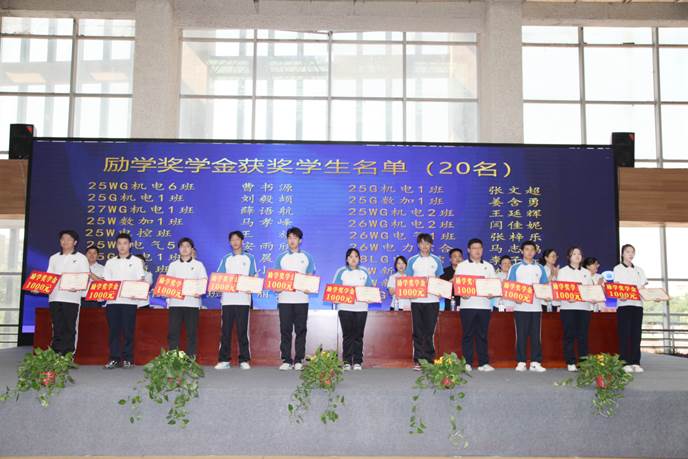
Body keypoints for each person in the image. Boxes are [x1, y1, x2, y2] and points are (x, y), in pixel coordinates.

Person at [215, 230, 257, 370]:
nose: (235, 242)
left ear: (242, 241)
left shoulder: (249, 258)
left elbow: (254, 277)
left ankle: (244, 359)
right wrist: (218, 286)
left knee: (242, 331)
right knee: (225, 331)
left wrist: (252, 286)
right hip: (227, 300)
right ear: (230, 242)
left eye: (237, 239)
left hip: (243, 300)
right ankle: (224, 360)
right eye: (232, 239)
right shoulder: (226, 258)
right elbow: (219, 277)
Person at [103, 233, 146, 369]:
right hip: (113, 302)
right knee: (114, 332)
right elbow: (107, 282)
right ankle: (114, 358)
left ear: (130, 245)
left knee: (128, 331)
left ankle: (128, 359)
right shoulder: (110, 262)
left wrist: (136, 292)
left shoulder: (136, 261)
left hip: (129, 302)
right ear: (116, 245)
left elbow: (140, 280)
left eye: (125, 243)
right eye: (119, 243)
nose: (122, 246)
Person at [275, 227, 315, 371]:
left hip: (301, 300)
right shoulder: (281, 258)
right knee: (285, 330)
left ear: (300, 240)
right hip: (284, 299)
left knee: (301, 330)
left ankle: (298, 359)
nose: (292, 240)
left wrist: (309, 287)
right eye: (289, 238)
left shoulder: (307, 257)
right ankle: (286, 359)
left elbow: (310, 278)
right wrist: (277, 288)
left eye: (295, 238)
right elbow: (276, 279)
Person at [455, 238, 497, 372]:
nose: (477, 251)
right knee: (467, 334)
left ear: (482, 250)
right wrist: (462, 293)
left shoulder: (489, 266)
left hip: (484, 306)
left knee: (482, 335)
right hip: (467, 305)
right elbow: (457, 284)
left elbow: (494, 285)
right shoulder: (462, 266)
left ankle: (483, 363)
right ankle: (467, 362)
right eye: (474, 248)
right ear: (469, 250)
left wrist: (492, 293)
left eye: (479, 248)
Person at [45, 230, 89, 355]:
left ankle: (68, 354)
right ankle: (56, 353)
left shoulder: (81, 258)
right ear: (60, 241)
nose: (65, 241)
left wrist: (78, 286)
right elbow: (48, 277)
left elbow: (85, 277)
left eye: (69, 239)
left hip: (71, 298)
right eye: (63, 239)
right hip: (54, 297)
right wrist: (39, 287)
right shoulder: (54, 258)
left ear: (75, 242)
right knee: (57, 326)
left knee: (70, 327)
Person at [508, 241, 548, 372]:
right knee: (521, 335)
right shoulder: (515, 267)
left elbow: (545, 286)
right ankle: (521, 361)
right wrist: (515, 298)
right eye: (526, 249)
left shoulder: (540, 268)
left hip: (536, 307)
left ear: (535, 252)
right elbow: (510, 286)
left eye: (532, 249)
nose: (529, 252)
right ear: (521, 251)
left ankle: (536, 362)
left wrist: (546, 295)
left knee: (536, 335)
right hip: (520, 307)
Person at [405, 233, 444, 370]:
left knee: (429, 331)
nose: (425, 246)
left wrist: (440, 292)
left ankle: (429, 359)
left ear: (431, 245)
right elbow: (408, 280)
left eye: (427, 243)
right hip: (416, 300)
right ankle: (419, 360)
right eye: (422, 243)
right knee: (418, 331)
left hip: (433, 300)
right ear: (418, 245)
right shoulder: (412, 260)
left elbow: (439, 279)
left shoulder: (436, 260)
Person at [167, 237, 207, 359]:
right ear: (179, 249)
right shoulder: (173, 265)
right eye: (182, 246)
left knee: (191, 333)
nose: (184, 248)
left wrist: (200, 291)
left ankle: (191, 358)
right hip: (175, 304)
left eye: (187, 246)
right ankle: (173, 358)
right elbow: (168, 283)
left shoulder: (198, 265)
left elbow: (203, 281)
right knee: (173, 332)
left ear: (192, 249)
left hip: (192, 304)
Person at [333, 248, 373, 371]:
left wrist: (370, 297)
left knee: (358, 336)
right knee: (347, 336)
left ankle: (357, 361)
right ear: (347, 259)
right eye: (350, 256)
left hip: (361, 308)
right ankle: (346, 361)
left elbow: (370, 289)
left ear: (359, 259)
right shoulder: (341, 271)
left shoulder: (364, 271)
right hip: (345, 308)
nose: (353, 259)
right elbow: (335, 289)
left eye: (356, 256)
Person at [613, 244, 648, 373]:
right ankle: (625, 362)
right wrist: (620, 296)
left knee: (636, 334)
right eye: (628, 251)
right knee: (624, 334)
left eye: (632, 252)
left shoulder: (639, 270)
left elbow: (643, 288)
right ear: (622, 254)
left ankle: (635, 362)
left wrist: (652, 296)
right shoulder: (617, 269)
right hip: (624, 305)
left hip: (637, 305)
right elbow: (617, 286)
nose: (630, 254)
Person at [557, 247, 593, 372]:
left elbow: (590, 289)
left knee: (583, 336)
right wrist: (567, 297)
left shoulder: (587, 272)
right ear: (569, 257)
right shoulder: (563, 271)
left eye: (579, 254)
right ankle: (570, 361)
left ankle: (584, 362)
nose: (577, 256)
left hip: (584, 308)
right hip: (568, 307)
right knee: (569, 335)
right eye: (574, 254)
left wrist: (593, 297)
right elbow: (560, 289)